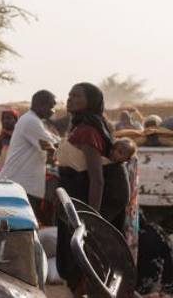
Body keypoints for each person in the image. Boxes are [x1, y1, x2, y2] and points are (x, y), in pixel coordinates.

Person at [55, 82, 131, 286]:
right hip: (80, 195)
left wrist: (91, 219)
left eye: (77, 96)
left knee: (83, 253)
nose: (70, 98)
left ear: (91, 102)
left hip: (90, 198)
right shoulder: (85, 125)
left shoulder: (88, 131)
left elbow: (97, 177)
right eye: (69, 94)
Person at [0, 90, 58, 218]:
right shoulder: (31, 121)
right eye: (52, 107)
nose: (53, 111)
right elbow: (52, 144)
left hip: (22, 184)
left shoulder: (33, 120)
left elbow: (52, 140)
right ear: (41, 105)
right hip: (19, 185)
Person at [0, 109, 20, 176]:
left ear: (16, 120)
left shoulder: (20, 140)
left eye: (9, 118)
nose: (5, 121)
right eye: (4, 118)